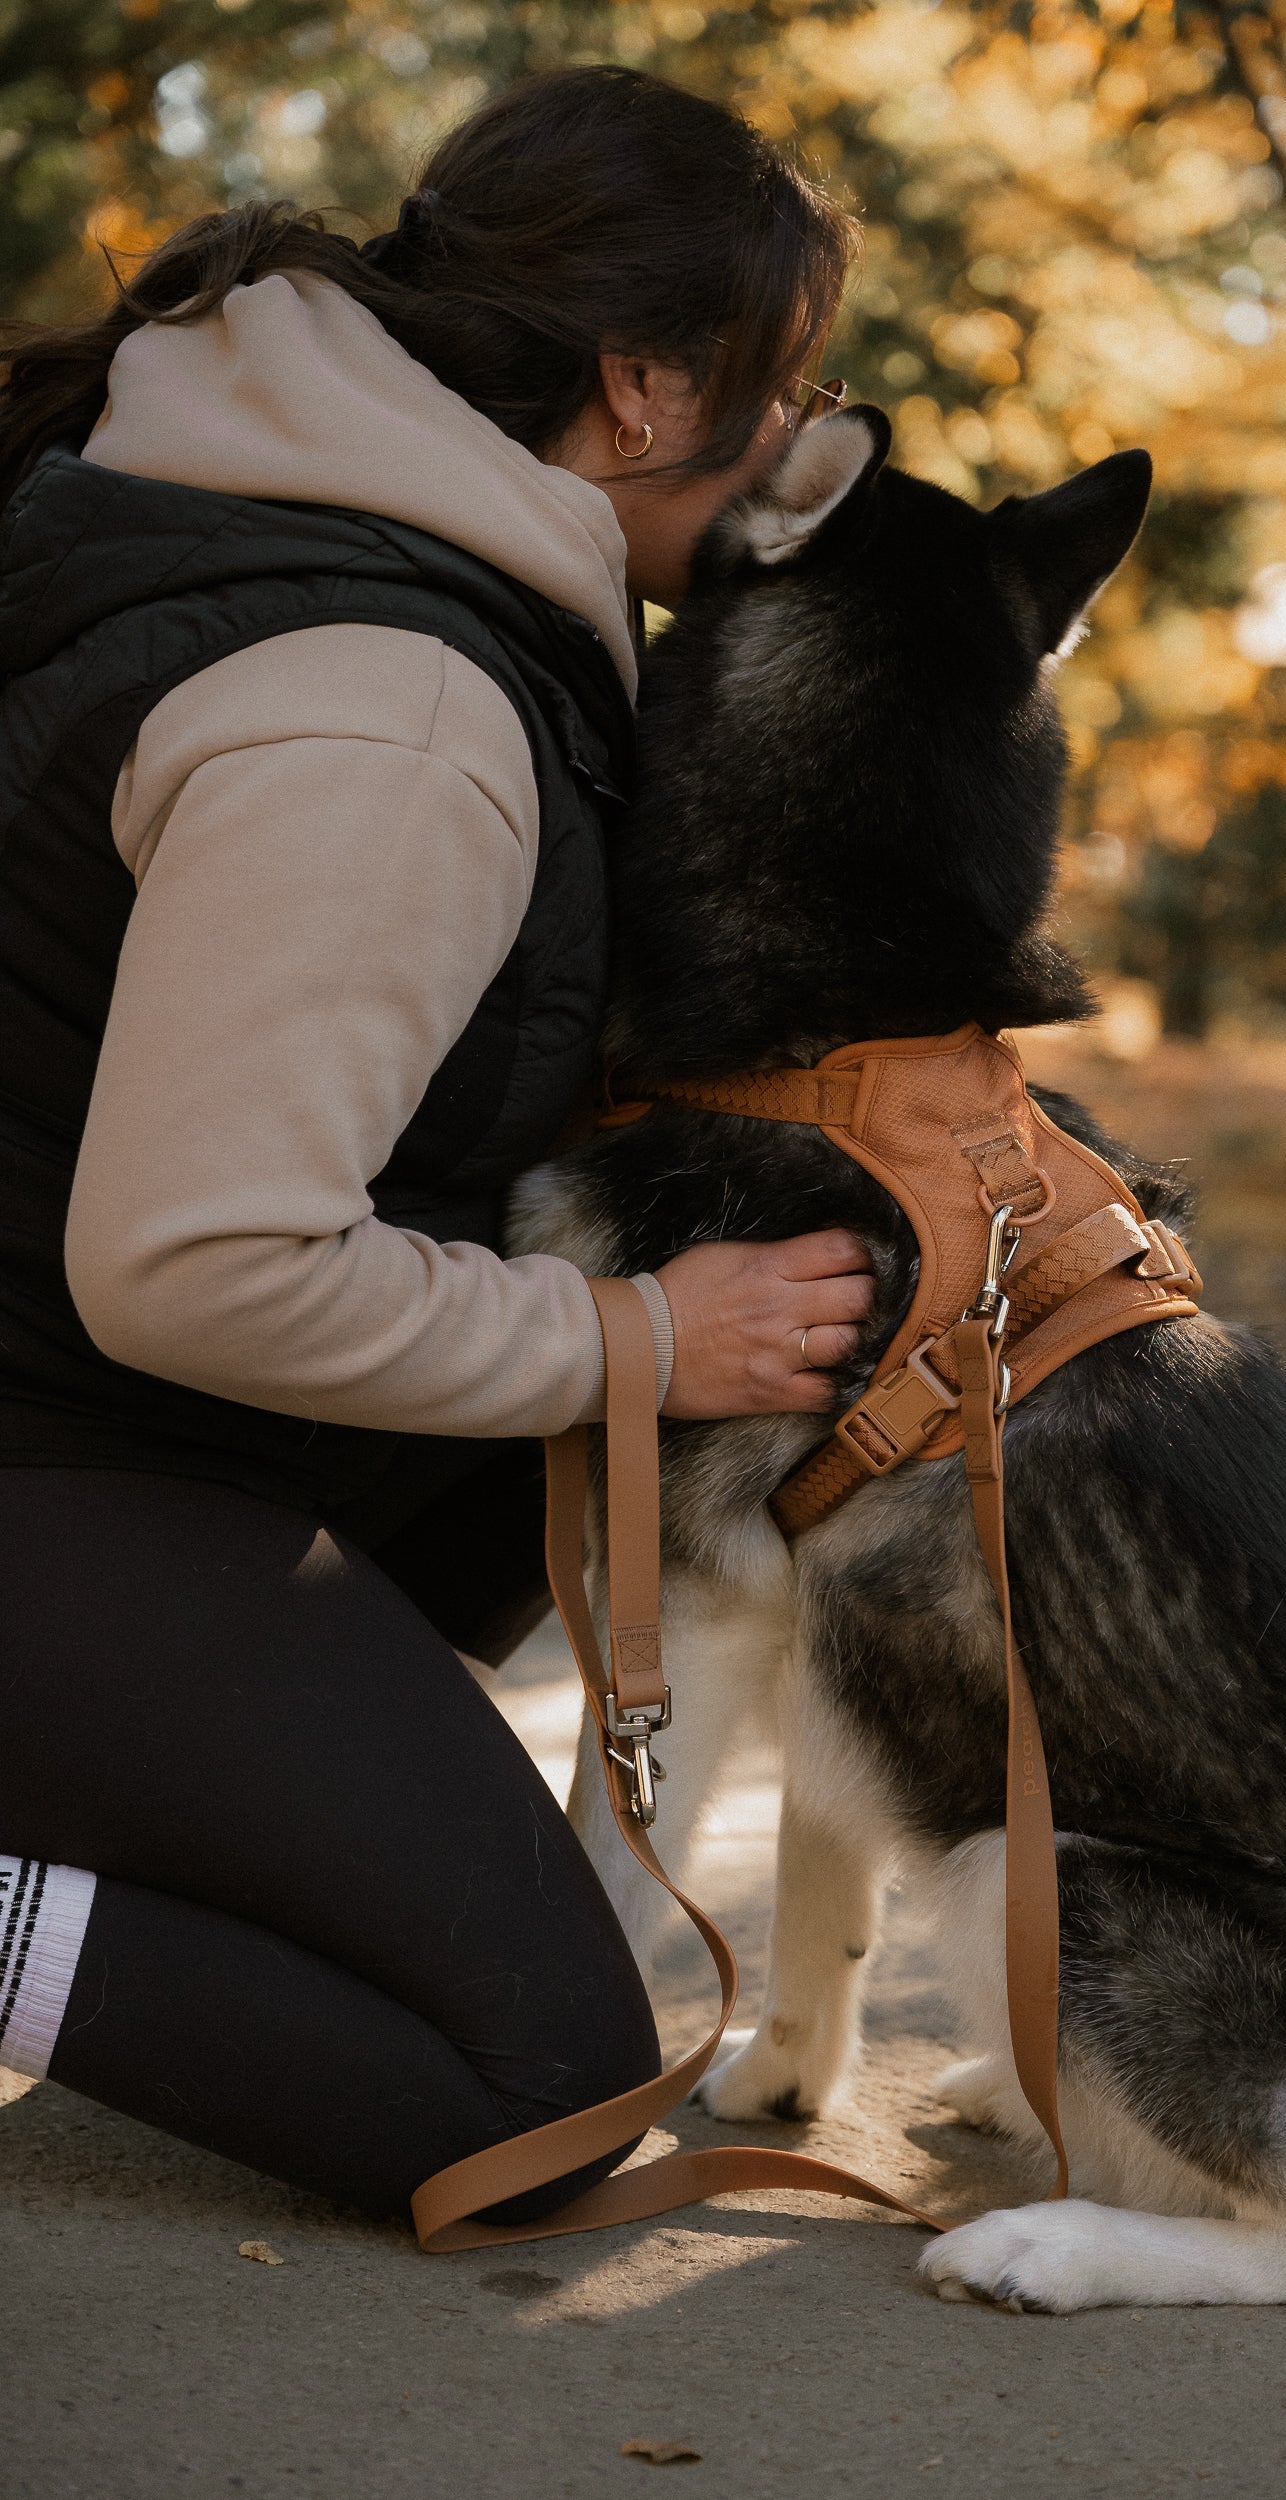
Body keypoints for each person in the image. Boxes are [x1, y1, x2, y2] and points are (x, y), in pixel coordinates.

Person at [0, 66, 870, 2225]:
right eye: (785, 399)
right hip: (56, 1457)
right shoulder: (387, 701)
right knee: (538, 2078)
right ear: (647, 386)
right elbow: (199, 1262)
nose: (797, 456)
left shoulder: (248, 508)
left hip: (92, 1449)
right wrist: (639, 1333)